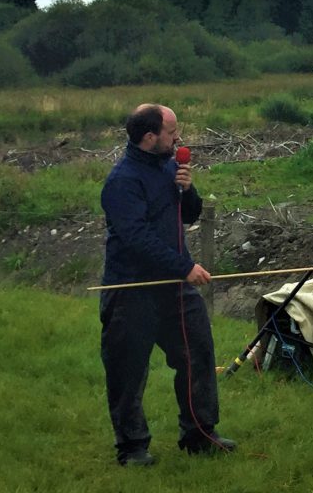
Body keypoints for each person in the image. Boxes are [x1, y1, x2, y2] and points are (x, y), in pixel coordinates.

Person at [99, 104, 236, 466]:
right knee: (128, 371)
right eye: (172, 132)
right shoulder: (121, 182)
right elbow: (136, 238)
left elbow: (188, 214)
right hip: (131, 289)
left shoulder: (171, 166)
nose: (179, 138)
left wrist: (187, 191)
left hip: (174, 287)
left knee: (198, 354)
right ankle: (132, 448)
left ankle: (200, 433)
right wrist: (185, 265)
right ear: (149, 137)